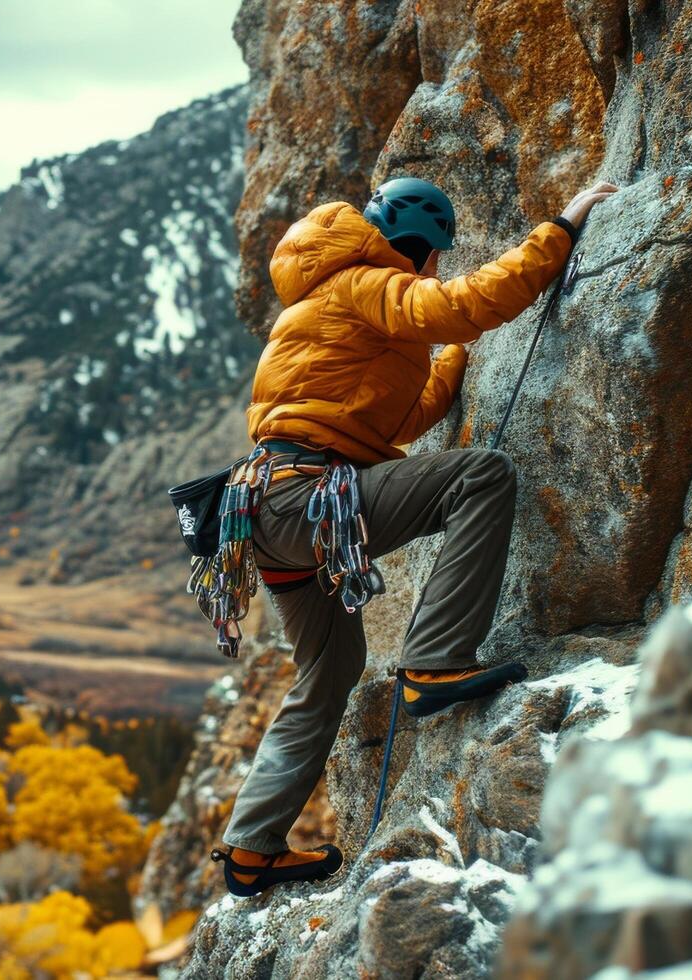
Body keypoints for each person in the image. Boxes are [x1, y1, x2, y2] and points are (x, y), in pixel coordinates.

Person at [210, 176, 619, 898]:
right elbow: (454, 307)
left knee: (327, 676)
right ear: (422, 249)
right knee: (479, 476)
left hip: (265, 516)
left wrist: (458, 359)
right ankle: (434, 661)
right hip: (307, 499)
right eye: (432, 258)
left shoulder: (323, 298)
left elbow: (393, 425)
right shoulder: (363, 282)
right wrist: (558, 230)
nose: (431, 270)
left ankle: (251, 847)